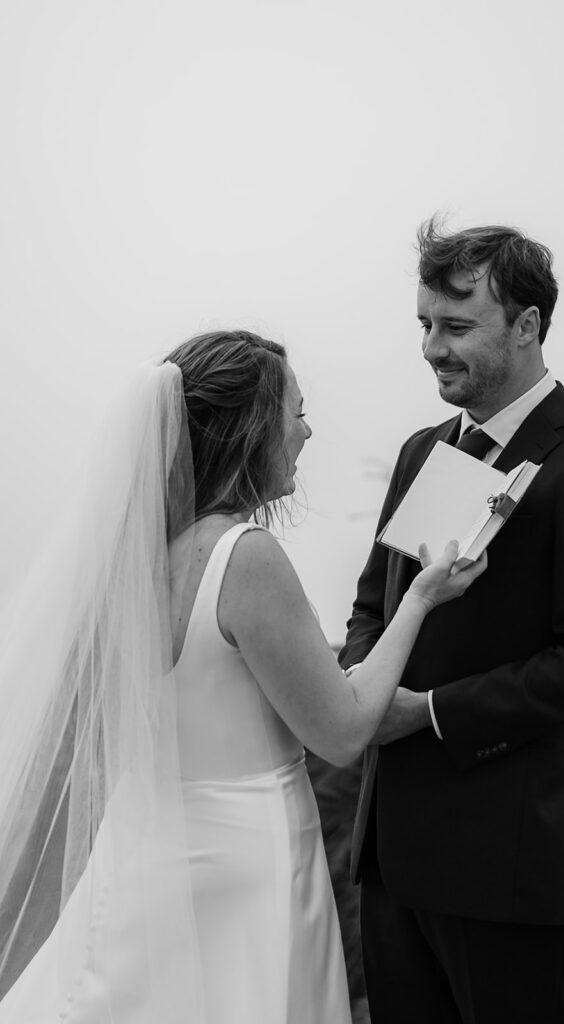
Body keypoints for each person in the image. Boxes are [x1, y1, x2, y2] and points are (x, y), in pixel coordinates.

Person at [0, 330, 486, 1024]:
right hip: (250, 865)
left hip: (148, 865)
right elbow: (342, 731)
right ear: (251, 428)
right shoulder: (244, 556)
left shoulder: (129, 565)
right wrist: (421, 599)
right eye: (296, 412)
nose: (308, 431)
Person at [339, 222, 564, 1024]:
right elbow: (373, 606)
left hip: (508, 868)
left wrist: (428, 713)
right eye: (424, 325)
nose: (432, 348)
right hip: (394, 861)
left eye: (456, 326)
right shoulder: (423, 450)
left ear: (528, 325)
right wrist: (365, 692)